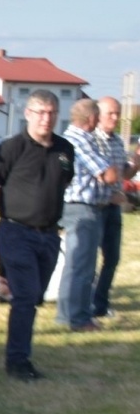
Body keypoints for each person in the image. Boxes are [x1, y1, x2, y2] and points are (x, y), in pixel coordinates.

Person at [0, 90, 75, 380]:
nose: (46, 118)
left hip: (49, 236)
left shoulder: (65, 150)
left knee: (34, 297)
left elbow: (63, 182)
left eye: (51, 112)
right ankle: (17, 361)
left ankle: (21, 352)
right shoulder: (11, 148)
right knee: (25, 295)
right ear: (28, 114)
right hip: (16, 232)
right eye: (40, 112)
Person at [55, 98, 118, 332]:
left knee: (74, 263)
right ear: (92, 119)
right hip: (82, 207)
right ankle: (79, 317)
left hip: (72, 205)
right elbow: (108, 175)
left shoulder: (66, 137)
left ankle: (65, 314)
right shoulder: (81, 140)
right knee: (83, 265)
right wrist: (112, 170)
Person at [93, 96, 133, 318]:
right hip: (96, 206)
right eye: (111, 113)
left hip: (113, 208)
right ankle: (86, 301)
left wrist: (135, 162)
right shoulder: (92, 141)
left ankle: (100, 303)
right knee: (89, 259)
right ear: (98, 115)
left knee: (113, 257)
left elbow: (124, 173)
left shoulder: (118, 141)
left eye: (117, 113)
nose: (115, 118)